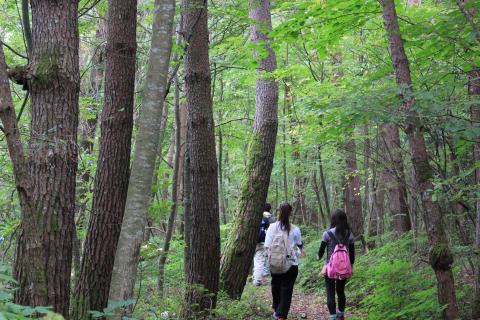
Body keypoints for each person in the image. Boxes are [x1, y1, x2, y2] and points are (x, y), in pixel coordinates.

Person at [265, 203, 304, 320]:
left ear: (279, 212)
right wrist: (301, 251)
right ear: (290, 213)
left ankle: (276, 310)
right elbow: (300, 245)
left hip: (275, 262)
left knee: (276, 285)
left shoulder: (272, 227)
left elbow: (267, 246)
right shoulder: (295, 229)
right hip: (291, 264)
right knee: (287, 288)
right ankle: (281, 315)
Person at [317, 209, 355, 320]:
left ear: (333, 220)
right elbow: (352, 255)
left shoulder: (327, 234)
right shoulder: (349, 234)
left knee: (330, 292)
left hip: (330, 268)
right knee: (341, 291)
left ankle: (333, 316)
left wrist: (318, 257)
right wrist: (351, 266)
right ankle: (341, 314)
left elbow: (320, 252)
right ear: (344, 220)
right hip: (344, 268)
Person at [253, 203, 273, 285]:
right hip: (262, 242)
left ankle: (255, 278)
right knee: (260, 261)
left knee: (256, 260)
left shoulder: (255, 216)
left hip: (252, 242)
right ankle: (257, 280)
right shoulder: (269, 218)